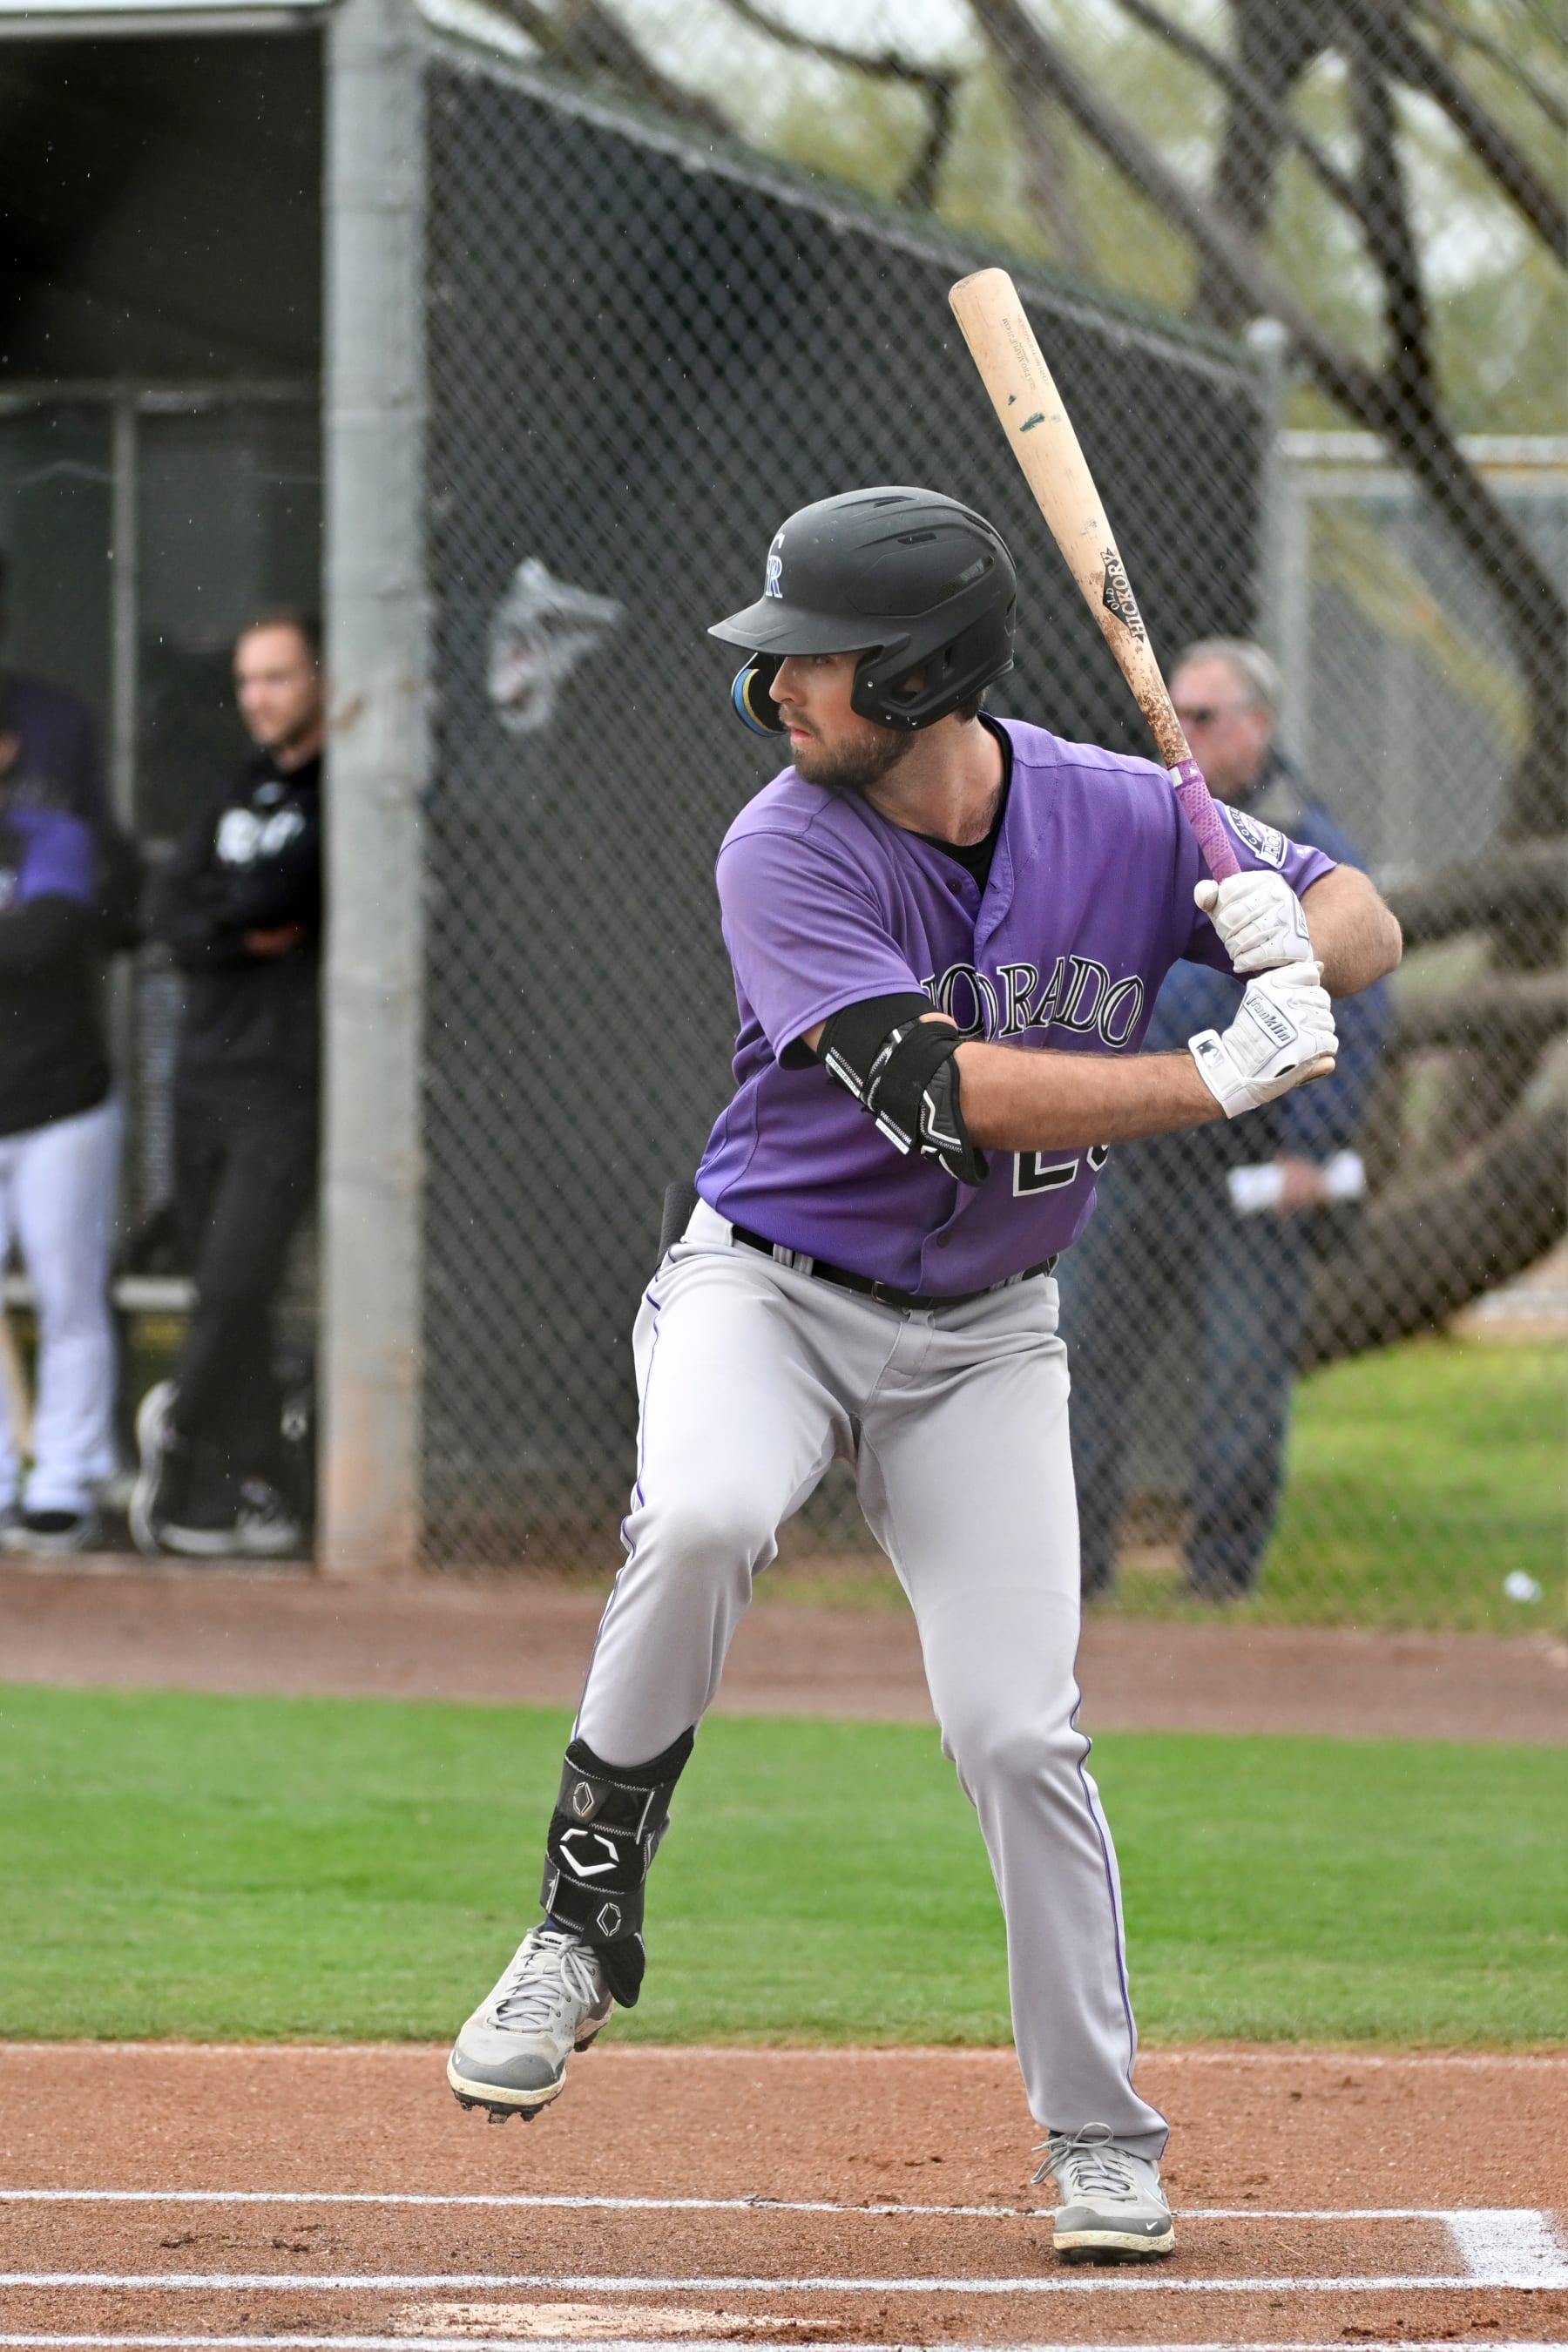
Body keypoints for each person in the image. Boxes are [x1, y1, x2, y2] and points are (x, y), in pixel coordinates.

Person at [443, 490, 1400, 2262]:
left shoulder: (1126, 816)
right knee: (711, 1508)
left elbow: (1364, 917)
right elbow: (941, 1095)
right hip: (772, 1294)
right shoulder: (783, 846)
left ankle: (1103, 2135)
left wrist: (1293, 945)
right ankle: (582, 1927)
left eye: (817, 654)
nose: (780, 682)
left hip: (988, 1342)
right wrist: (1219, 1071)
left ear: (925, 670)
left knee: (1019, 1726)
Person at [1058, 639, 1392, 1602]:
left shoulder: (1306, 845)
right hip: (1133, 1155)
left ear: (1258, 726)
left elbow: (1359, 1007)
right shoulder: (1144, 825)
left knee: (1243, 1383)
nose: (1186, 736)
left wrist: (1312, 1148)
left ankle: (1219, 1586)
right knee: (1078, 1363)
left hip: (1249, 1173)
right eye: (1177, 716)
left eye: (1206, 718)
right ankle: (1075, 1576)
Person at [131, 612, 323, 1558]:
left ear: (321, 680)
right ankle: (258, 1484)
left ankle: (177, 1434)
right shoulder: (235, 786)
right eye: (249, 681)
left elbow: (287, 893)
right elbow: (167, 910)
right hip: (201, 1075)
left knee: (237, 1282)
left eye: (278, 678)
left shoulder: (338, 792)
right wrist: (237, 935)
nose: (259, 698)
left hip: (283, 1082)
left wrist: (232, 925)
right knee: (221, 1289)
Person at [0, 554, 134, 1551]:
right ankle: (6, 1468)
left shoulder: (49, 832)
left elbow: (45, 939)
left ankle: (70, 1474)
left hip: (60, 1101)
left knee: (66, 1292)